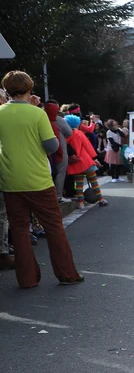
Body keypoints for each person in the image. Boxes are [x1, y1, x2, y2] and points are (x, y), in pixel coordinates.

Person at [0, 71, 82, 287]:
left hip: (10, 179)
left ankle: (26, 279)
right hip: (38, 179)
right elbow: (51, 145)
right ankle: (67, 274)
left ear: (6, 90)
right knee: (53, 226)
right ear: (29, 89)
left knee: (19, 230)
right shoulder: (37, 114)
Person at [65, 114, 107, 208]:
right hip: (86, 162)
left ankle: (81, 203)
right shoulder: (79, 133)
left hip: (75, 163)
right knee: (94, 182)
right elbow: (88, 146)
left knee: (79, 184)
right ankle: (101, 200)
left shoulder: (66, 136)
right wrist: (95, 158)